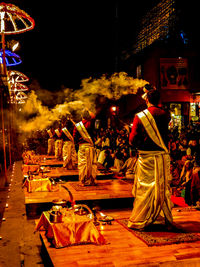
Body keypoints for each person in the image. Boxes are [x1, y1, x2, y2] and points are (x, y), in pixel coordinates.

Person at [128, 87, 173, 230]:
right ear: (159, 100)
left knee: (144, 189)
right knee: (162, 189)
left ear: (146, 99)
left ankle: (142, 217)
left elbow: (133, 139)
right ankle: (161, 217)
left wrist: (141, 144)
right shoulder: (166, 115)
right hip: (161, 156)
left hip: (146, 158)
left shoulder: (139, 116)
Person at [73, 109, 97, 186]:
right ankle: (91, 180)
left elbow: (75, 137)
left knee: (82, 164)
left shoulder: (78, 126)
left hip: (82, 146)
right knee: (92, 163)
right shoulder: (91, 123)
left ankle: (83, 181)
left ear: (82, 116)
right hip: (90, 146)